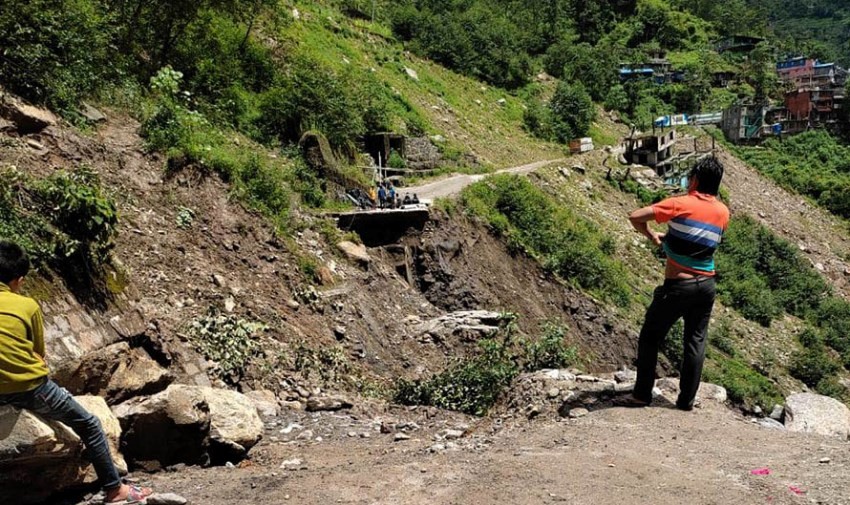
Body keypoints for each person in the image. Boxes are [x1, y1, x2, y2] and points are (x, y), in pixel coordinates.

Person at [0, 241, 153, 504]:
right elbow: (38, 353)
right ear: (19, 280)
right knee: (90, 424)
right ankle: (115, 490)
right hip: (31, 390)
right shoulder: (26, 306)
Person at [619, 157, 730, 411]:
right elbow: (697, 243)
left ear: (695, 179)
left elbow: (635, 216)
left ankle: (641, 395)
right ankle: (686, 401)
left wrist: (651, 235)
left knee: (650, 337)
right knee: (695, 341)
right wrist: (668, 240)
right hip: (707, 286)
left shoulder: (680, 203)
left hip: (678, 286)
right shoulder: (723, 213)